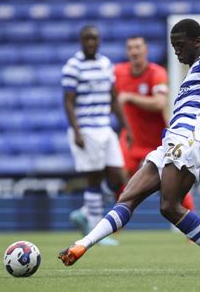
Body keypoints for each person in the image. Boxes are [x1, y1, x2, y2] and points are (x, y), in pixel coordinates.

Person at [59, 18, 200, 275]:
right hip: (172, 140)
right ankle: (81, 245)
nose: (176, 51)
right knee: (127, 198)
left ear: (197, 41)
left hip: (189, 139)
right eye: (173, 46)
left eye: (180, 45)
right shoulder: (195, 72)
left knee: (170, 207)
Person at [62, 25, 131, 246]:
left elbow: (114, 98)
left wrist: (126, 127)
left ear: (99, 41)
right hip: (87, 129)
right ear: (81, 41)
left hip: (105, 128)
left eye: (94, 38)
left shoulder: (105, 64)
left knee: (118, 178)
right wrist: (77, 130)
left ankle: (84, 213)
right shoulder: (73, 66)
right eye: (87, 38)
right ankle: (93, 230)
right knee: (94, 178)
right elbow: (68, 102)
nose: (91, 41)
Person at [114, 36, 195, 212]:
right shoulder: (118, 72)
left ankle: (190, 219)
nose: (134, 51)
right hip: (131, 138)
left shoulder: (156, 73)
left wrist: (130, 97)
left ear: (146, 50)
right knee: (117, 177)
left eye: (138, 47)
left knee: (171, 183)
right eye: (130, 48)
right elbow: (111, 97)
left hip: (156, 139)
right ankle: (113, 228)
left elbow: (159, 103)